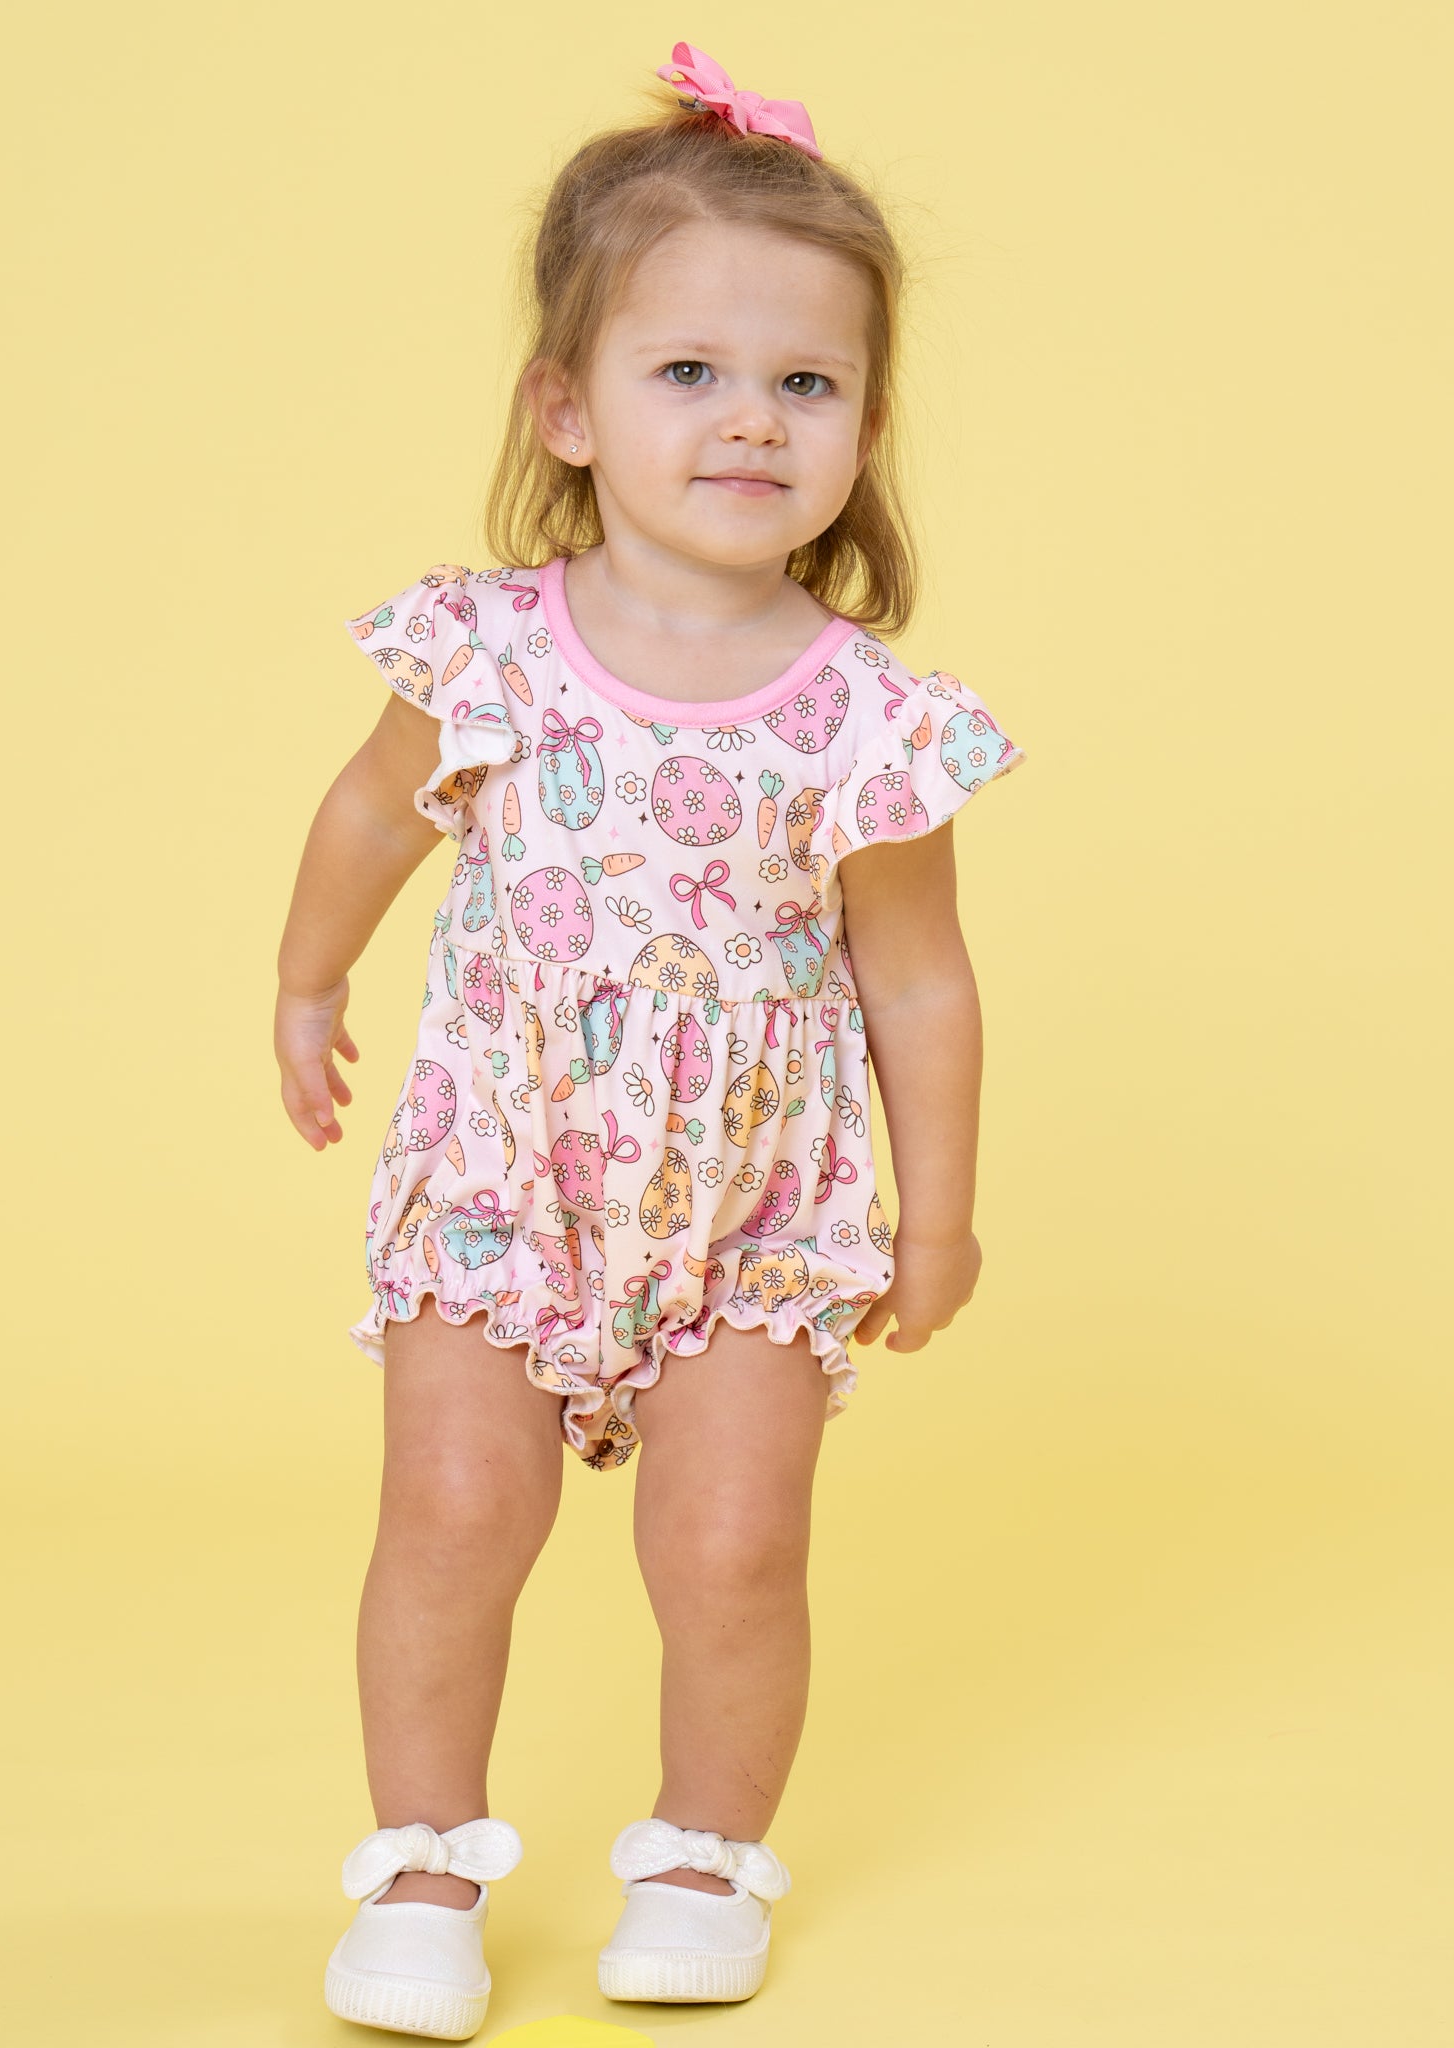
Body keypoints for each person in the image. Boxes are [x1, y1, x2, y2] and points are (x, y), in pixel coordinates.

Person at [274, 40, 1027, 2041]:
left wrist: (938, 1217)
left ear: (868, 423)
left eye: (808, 383)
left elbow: (921, 977)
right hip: (504, 1169)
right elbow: (371, 814)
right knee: (453, 1514)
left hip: (757, 1206)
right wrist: (307, 978)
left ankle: (702, 1856)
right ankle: (421, 1867)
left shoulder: (872, 721)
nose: (752, 418)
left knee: (731, 1545)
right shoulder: (485, 649)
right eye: (689, 370)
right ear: (569, 408)